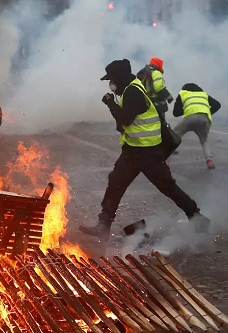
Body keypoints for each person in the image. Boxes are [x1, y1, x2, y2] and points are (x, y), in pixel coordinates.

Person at [79, 59, 208, 241]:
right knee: (115, 182)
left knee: (167, 187)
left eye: (112, 79)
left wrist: (110, 103)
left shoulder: (133, 91)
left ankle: (196, 217)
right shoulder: (129, 89)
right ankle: (103, 225)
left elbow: (126, 118)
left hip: (149, 152)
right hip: (133, 151)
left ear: (120, 77)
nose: (110, 84)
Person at [173, 84, 221, 169]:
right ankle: (209, 161)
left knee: (172, 136)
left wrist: (188, 108)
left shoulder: (183, 93)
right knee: (204, 140)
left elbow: (175, 113)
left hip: (190, 118)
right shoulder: (203, 94)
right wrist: (207, 112)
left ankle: (165, 159)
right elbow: (217, 105)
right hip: (204, 118)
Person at [137, 57, 174, 122]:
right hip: (157, 104)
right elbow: (158, 87)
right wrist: (169, 96)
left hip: (147, 103)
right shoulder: (156, 72)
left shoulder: (143, 73)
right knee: (162, 125)